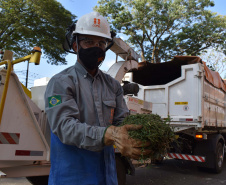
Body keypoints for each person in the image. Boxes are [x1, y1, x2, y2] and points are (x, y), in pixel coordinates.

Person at [45, 12, 151, 185]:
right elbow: (64, 127)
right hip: (71, 178)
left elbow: (122, 122)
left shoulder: (113, 85)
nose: (96, 47)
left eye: (101, 43)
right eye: (88, 42)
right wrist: (108, 134)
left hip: (107, 177)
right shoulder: (60, 82)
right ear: (75, 46)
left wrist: (137, 135)